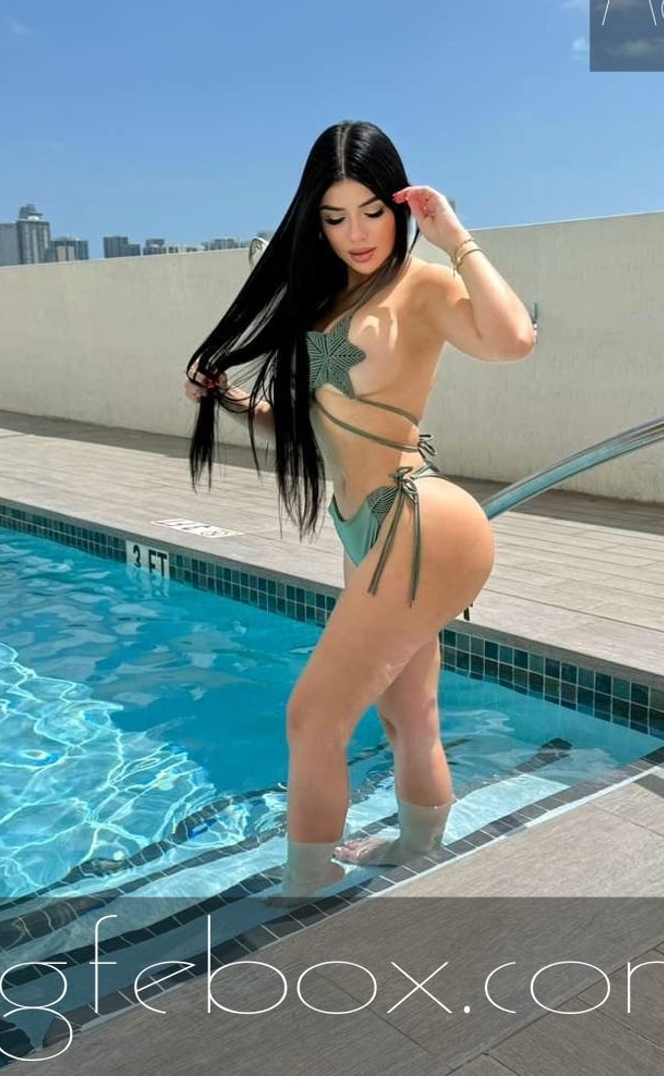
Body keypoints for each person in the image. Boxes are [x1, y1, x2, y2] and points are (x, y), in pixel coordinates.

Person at [184, 120, 535, 899]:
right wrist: (232, 400)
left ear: (398, 204)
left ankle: (303, 890)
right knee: (406, 714)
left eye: (373, 211)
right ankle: (417, 853)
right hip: (366, 531)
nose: (358, 233)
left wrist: (454, 237)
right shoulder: (324, 299)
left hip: (420, 520)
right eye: (336, 216)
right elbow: (317, 425)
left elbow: (514, 339)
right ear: (315, 219)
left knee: (312, 717)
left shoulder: (423, 285)